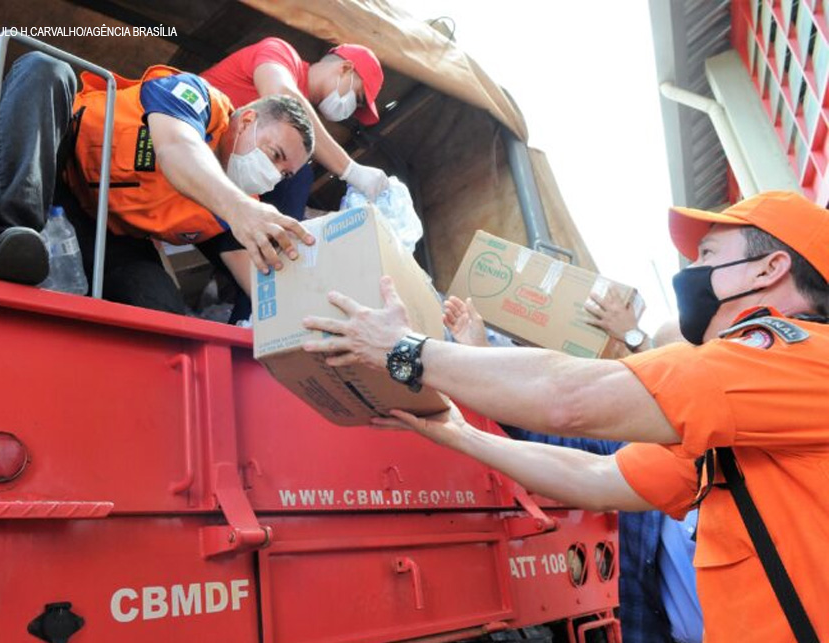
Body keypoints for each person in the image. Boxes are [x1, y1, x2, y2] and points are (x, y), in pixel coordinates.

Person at [300, 190, 829, 642]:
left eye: (707, 253)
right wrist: (461, 435)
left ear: (769, 267)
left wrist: (405, 351)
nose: (688, 271)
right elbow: (597, 478)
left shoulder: (795, 357)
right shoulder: (745, 423)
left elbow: (570, 396)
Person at [444, 296, 702, 643]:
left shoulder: (753, 447)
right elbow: (553, 441)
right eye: (658, 358)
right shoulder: (637, 445)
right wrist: (479, 357)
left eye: (675, 358)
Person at [0, 51, 315, 313]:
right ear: (247, 121)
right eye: (275, 155)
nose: (273, 175)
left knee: (160, 310)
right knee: (46, 68)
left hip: (105, 229)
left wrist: (302, 317)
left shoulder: (240, 207)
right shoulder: (198, 99)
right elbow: (177, 147)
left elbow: (259, 280)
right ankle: (1, 238)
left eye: (284, 174)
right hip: (49, 160)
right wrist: (239, 208)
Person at [202, 37, 389, 218]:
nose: (351, 109)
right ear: (345, 68)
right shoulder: (280, 52)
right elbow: (281, 96)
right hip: (192, 130)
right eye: (357, 98)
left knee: (291, 175)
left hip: (218, 176)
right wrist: (350, 169)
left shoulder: (300, 133)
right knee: (298, 176)